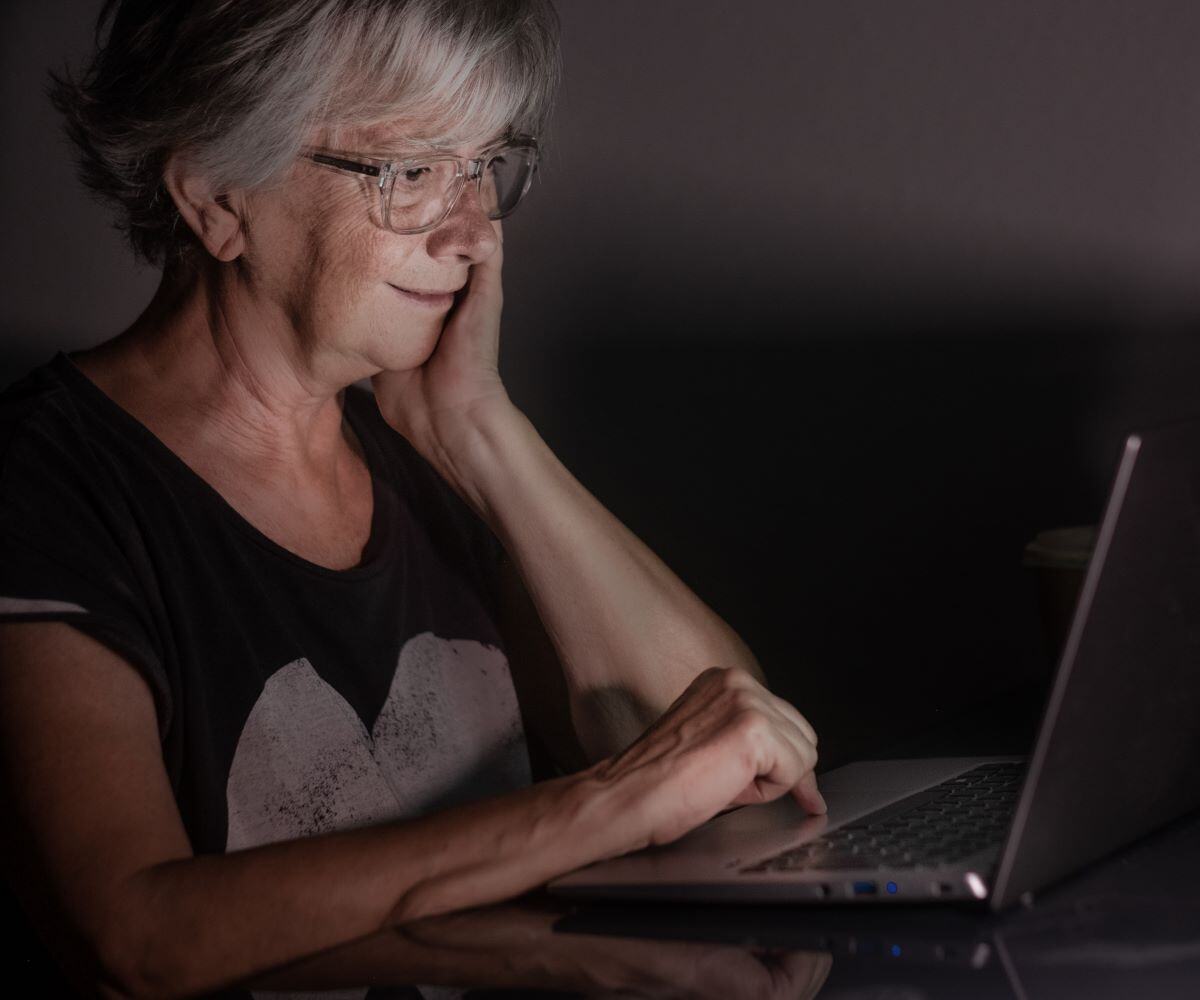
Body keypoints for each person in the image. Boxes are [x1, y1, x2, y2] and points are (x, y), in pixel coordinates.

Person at [0, 1, 825, 996]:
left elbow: (737, 757)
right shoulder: (43, 480)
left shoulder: (423, 458)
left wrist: (480, 430)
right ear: (217, 197)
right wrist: (604, 805)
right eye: (414, 171)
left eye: (487, 165)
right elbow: (135, 934)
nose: (475, 233)